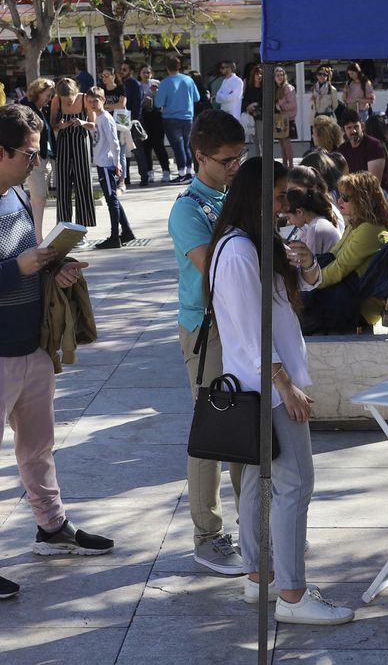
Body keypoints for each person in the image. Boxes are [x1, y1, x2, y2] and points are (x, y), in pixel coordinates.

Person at [0, 104, 111, 601]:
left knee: (38, 447)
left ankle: (52, 529)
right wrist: (21, 267)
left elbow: (25, 264)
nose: (37, 163)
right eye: (31, 155)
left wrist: (56, 269)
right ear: (0, 153)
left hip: (32, 347)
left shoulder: (13, 194)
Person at [207, 157, 355, 625]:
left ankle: (261, 579)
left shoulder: (254, 242)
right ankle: (291, 592)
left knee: (259, 482)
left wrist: (308, 265)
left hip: (265, 382)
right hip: (265, 386)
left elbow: (296, 293)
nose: (284, 204)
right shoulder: (237, 250)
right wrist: (285, 384)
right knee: (294, 483)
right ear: (254, 195)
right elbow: (252, 330)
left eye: (286, 197)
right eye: (276, 196)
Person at [167, 110, 249, 577]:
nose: (235, 167)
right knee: (213, 432)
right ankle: (208, 535)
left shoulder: (231, 195)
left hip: (239, 325)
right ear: (201, 157)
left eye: (240, 158)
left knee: (245, 426)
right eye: (227, 160)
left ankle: (251, 522)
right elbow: (214, 268)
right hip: (208, 328)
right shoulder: (188, 208)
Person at [299, 169, 388, 335]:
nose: (339, 200)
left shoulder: (370, 230)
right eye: (340, 195)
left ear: (363, 200)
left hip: (358, 306)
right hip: (346, 299)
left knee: (296, 314)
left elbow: (339, 269)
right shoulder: (355, 226)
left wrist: (310, 282)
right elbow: (333, 256)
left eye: (346, 198)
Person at [87, 88, 134, 248]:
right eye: (91, 101)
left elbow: (114, 143)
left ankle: (115, 237)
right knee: (112, 198)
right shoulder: (99, 118)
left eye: (96, 100)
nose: (93, 104)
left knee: (111, 201)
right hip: (102, 164)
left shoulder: (106, 118)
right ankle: (127, 231)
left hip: (107, 165)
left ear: (103, 100)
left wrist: (117, 164)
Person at [48, 77, 97, 228]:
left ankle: (83, 226)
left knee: (83, 183)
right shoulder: (56, 100)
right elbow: (52, 125)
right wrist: (59, 126)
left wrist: (82, 123)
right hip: (63, 142)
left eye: (70, 99)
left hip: (81, 142)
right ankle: (64, 226)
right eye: (65, 100)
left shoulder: (84, 99)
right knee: (63, 185)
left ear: (76, 92)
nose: (68, 103)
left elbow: (93, 125)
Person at [19, 79, 56, 235]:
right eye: (47, 95)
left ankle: (37, 235)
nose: (49, 99)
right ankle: (37, 237)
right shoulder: (27, 108)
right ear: (38, 92)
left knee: (40, 198)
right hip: (34, 159)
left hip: (44, 158)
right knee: (38, 198)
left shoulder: (41, 110)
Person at [156, 55, 199, 181]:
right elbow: (197, 98)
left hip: (171, 117)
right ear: (180, 66)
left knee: (178, 146)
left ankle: (182, 173)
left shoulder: (165, 83)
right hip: (188, 117)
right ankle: (189, 172)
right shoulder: (189, 80)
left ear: (167, 68)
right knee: (187, 145)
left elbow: (158, 103)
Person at [282, 173, 342, 257]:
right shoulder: (315, 223)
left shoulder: (314, 228)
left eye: (289, 217)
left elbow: (310, 264)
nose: (289, 222)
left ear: (299, 212)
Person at [334, 107, 388, 193]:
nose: (353, 131)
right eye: (349, 128)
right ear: (343, 130)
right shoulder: (342, 150)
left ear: (362, 126)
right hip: (354, 191)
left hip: (378, 192)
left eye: (356, 126)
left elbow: (374, 183)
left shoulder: (374, 146)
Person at [136, 66, 172, 185]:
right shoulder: (138, 85)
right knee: (146, 145)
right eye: (144, 72)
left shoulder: (157, 83)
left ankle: (166, 171)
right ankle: (149, 172)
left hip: (156, 115)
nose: (146, 74)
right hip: (144, 116)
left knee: (159, 145)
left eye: (148, 72)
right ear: (140, 74)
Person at [270, 65, 299, 165]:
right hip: (279, 118)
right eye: (277, 75)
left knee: (286, 143)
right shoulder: (275, 88)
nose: (279, 77)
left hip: (287, 118)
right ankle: (284, 164)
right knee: (281, 143)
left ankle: (290, 165)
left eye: (281, 74)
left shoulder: (288, 87)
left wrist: (280, 106)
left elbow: (292, 104)